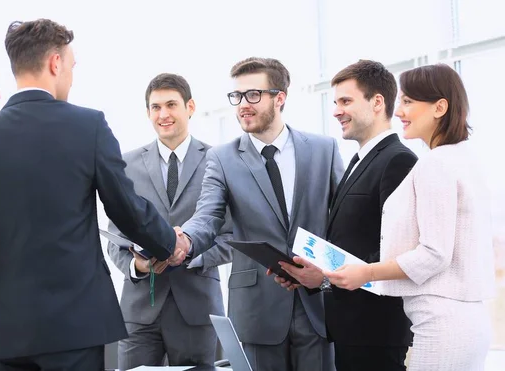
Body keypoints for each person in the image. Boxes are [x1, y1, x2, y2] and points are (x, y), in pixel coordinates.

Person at [0, 18, 188, 371]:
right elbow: (127, 209)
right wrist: (170, 242)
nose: (71, 76)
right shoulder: (88, 126)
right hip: (76, 329)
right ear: (55, 63)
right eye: (71, 66)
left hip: (11, 334)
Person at [326, 63, 496, 371]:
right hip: (466, 318)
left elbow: (434, 254)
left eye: (408, 102)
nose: (399, 111)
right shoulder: (463, 157)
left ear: (440, 107)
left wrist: (366, 273)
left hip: (440, 320)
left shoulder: (435, 163)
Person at [178, 57, 344, 371]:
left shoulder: (324, 149)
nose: (243, 104)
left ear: (279, 98)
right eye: (237, 97)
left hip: (316, 302)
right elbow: (208, 216)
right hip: (257, 307)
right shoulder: (222, 158)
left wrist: (330, 274)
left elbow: (343, 220)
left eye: (253, 95)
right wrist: (185, 240)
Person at [276, 60, 417, 371]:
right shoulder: (356, 161)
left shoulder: (398, 160)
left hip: (376, 329)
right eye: (336, 102)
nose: (337, 110)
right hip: (350, 326)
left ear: (377, 102)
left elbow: (397, 252)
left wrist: (326, 276)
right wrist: (317, 274)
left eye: (346, 101)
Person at [107, 73, 233, 370]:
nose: (163, 114)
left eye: (171, 105)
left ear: (190, 107)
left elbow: (230, 238)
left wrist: (187, 254)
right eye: (155, 107)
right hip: (139, 310)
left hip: (197, 308)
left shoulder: (220, 161)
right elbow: (115, 239)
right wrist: (138, 266)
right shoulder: (126, 164)